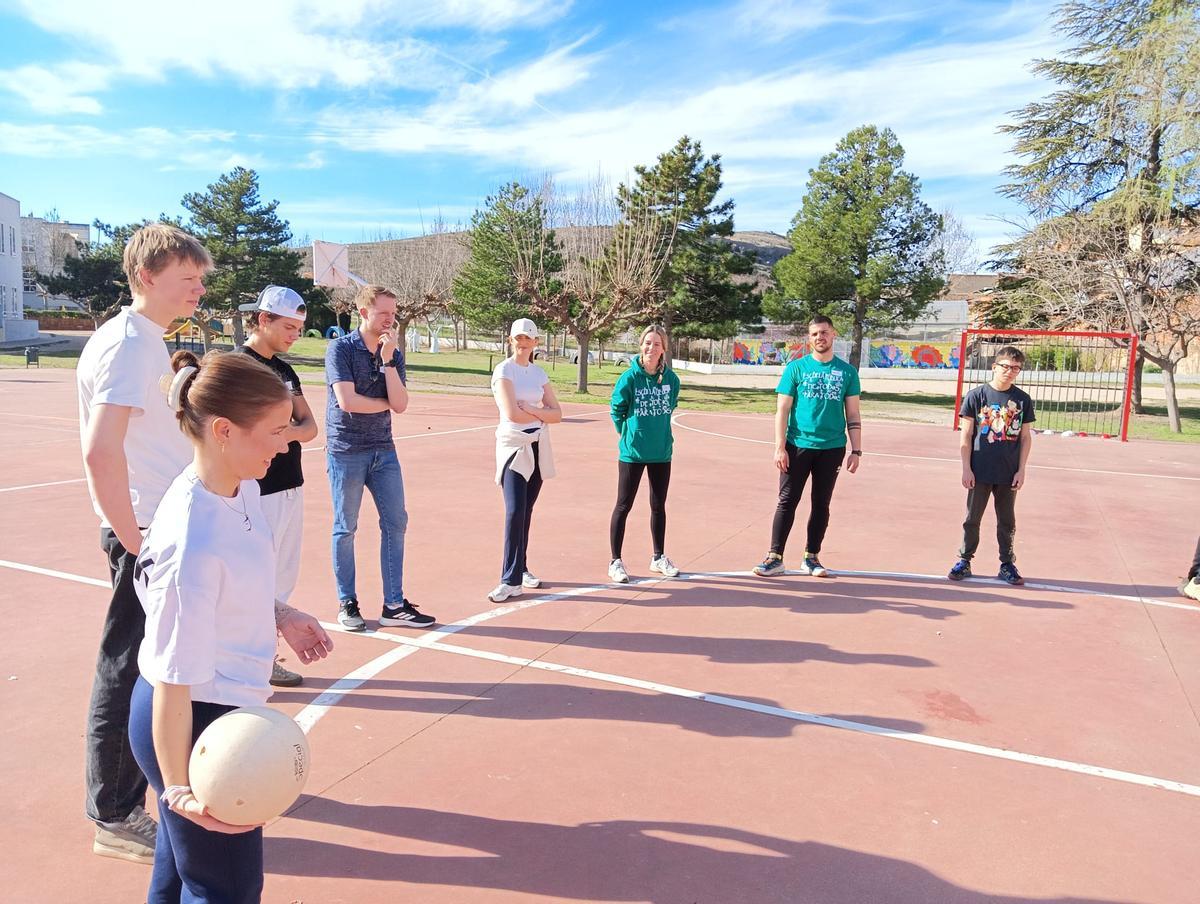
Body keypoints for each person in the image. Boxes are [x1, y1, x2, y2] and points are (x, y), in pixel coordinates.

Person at [129, 349, 333, 904]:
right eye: (274, 430)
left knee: (180, 875)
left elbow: (230, 583)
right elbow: (174, 680)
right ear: (223, 430)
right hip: (193, 720)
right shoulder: (191, 541)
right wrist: (178, 788)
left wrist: (280, 614)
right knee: (227, 888)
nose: (288, 441)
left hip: (213, 705)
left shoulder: (234, 485)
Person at [76, 223, 211, 864]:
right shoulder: (129, 345)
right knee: (127, 668)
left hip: (157, 527)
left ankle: (142, 793)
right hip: (145, 533)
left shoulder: (147, 342)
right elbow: (101, 452)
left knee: (146, 666)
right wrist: (139, 542)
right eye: (189, 278)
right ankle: (115, 814)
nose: (200, 288)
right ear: (146, 277)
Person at [324, 284, 435, 631]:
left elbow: (400, 405)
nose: (391, 319)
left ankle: (394, 604)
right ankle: (348, 603)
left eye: (393, 313)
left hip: (384, 450)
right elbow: (348, 402)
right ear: (363, 313)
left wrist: (388, 363)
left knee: (396, 522)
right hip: (347, 450)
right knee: (346, 527)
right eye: (383, 313)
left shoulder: (393, 353)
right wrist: (385, 403)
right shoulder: (339, 349)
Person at [235, 286, 319, 687]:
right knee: (253, 578)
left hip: (291, 485)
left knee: (282, 578)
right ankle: (244, 661)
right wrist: (284, 433)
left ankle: (264, 660)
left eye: (299, 329)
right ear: (263, 319)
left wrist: (281, 433)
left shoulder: (286, 372)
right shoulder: (238, 367)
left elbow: (310, 426)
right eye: (288, 327)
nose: (294, 336)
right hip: (254, 490)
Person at [753, 316, 862, 578]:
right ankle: (774, 557)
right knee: (787, 501)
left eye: (823, 333)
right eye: (814, 334)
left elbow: (854, 414)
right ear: (809, 338)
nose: (819, 338)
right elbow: (782, 409)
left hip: (832, 448)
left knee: (821, 503)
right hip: (797, 446)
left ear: (833, 334)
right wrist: (780, 447)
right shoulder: (796, 368)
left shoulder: (847, 372)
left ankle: (811, 557)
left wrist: (856, 450)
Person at [487, 318, 562, 603]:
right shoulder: (503, 370)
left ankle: (521, 568)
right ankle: (509, 580)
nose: (522, 343)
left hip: (539, 446)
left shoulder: (539, 374)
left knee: (526, 511)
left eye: (528, 339)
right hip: (514, 448)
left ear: (535, 343)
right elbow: (511, 414)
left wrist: (532, 409)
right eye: (518, 338)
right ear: (510, 340)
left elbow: (558, 413)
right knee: (515, 511)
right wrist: (542, 413)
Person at [948, 345, 1035, 585]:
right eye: (1006, 367)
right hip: (980, 469)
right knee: (972, 518)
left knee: (1007, 520)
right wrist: (966, 467)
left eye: (1016, 368)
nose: (1010, 371)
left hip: (1008, 472)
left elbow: (1025, 437)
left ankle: (1007, 564)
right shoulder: (977, 396)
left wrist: (1021, 469)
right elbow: (966, 434)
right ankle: (964, 560)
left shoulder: (1022, 400)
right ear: (994, 367)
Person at [607, 325, 682, 583]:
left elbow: (670, 407)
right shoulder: (629, 378)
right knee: (623, 505)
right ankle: (615, 561)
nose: (652, 348)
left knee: (658, 506)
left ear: (664, 349)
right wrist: (629, 435)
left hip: (661, 453)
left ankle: (658, 557)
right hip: (633, 454)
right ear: (641, 346)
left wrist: (656, 435)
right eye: (648, 343)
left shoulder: (672, 380)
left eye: (657, 344)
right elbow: (616, 410)